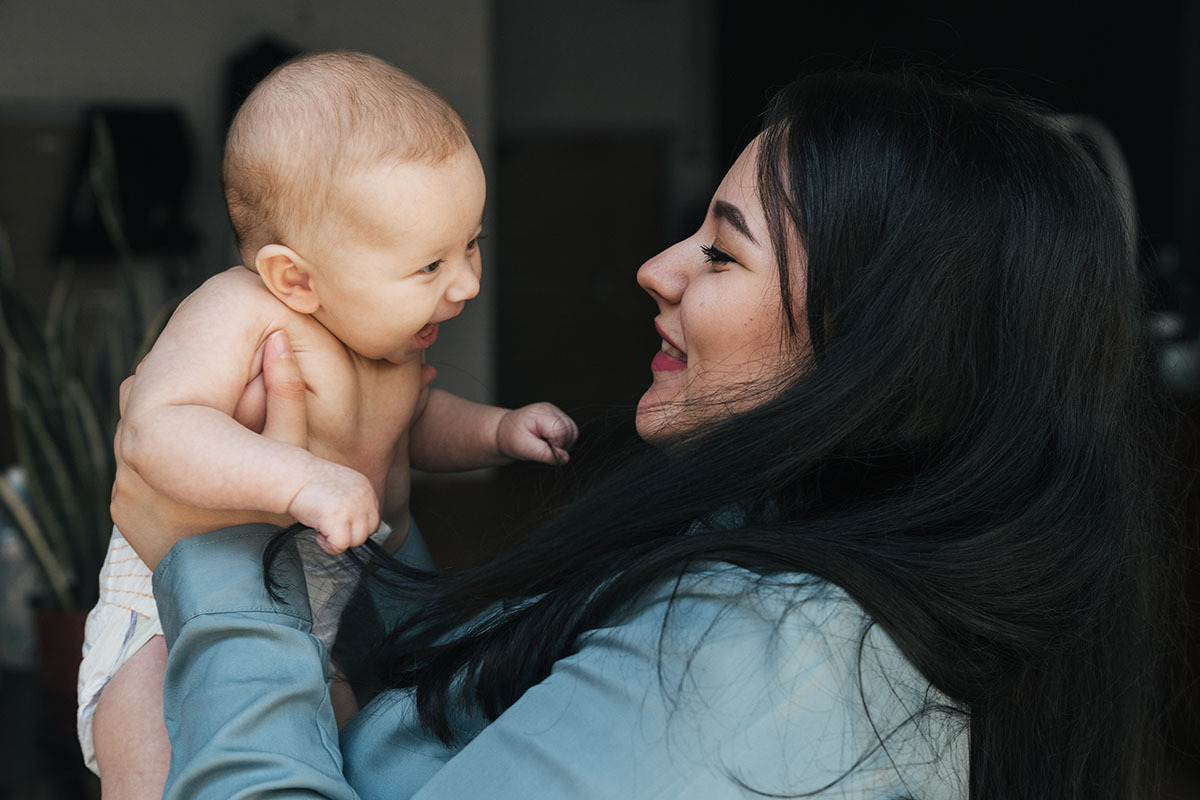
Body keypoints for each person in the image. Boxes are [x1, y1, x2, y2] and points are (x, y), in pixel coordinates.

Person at [111, 68, 1168, 799]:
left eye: (721, 253)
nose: (655, 268)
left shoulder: (769, 661)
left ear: (879, 350)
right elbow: (431, 710)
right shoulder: (742, 529)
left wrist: (216, 558)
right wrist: (347, 499)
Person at [77, 51, 577, 797]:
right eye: (429, 266)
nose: (467, 283)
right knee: (153, 767)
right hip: (165, 608)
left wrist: (497, 431)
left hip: (312, 621)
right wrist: (302, 479)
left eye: (471, 244)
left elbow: (414, 422)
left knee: (336, 757)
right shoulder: (241, 311)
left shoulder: (388, 351)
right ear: (296, 278)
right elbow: (158, 429)